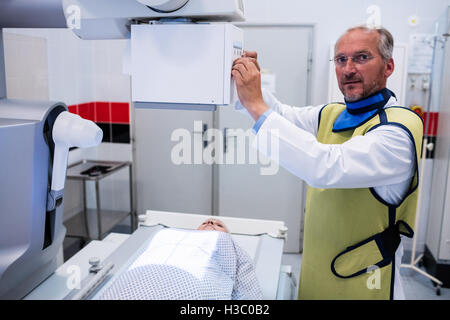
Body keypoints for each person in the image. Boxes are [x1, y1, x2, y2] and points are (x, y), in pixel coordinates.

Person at [231, 25, 423, 300]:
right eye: (341, 59)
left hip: (366, 279)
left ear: (388, 66)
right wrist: (248, 84)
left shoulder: (398, 130)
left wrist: (256, 103)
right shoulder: (332, 113)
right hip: (319, 268)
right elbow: (282, 115)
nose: (348, 69)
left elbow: (326, 166)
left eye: (361, 57)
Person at [98, 219, 263, 300]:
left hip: (189, 286)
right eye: (205, 222)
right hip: (139, 278)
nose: (211, 222)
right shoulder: (169, 235)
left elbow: (246, 281)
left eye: (219, 226)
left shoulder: (228, 243)